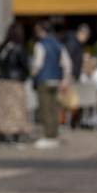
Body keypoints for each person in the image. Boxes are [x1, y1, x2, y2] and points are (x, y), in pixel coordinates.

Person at [29, 21, 72, 149]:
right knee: (54, 109)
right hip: (56, 80)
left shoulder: (40, 45)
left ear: (42, 30)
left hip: (44, 79)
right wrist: (65, 79)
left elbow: (37, 64)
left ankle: (48, 136)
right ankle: (54, 134)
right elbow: (67, 63)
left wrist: (33, 74)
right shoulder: (59, 44)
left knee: (46, 109)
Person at [0, 21, 30, 144]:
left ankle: (2, 132)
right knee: (16, 109)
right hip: (16, 82)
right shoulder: (19, 47)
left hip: (3, 81)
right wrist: (24, 76)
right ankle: (15, 133)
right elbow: (25, 65)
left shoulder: (3, 47)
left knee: (3, 108)